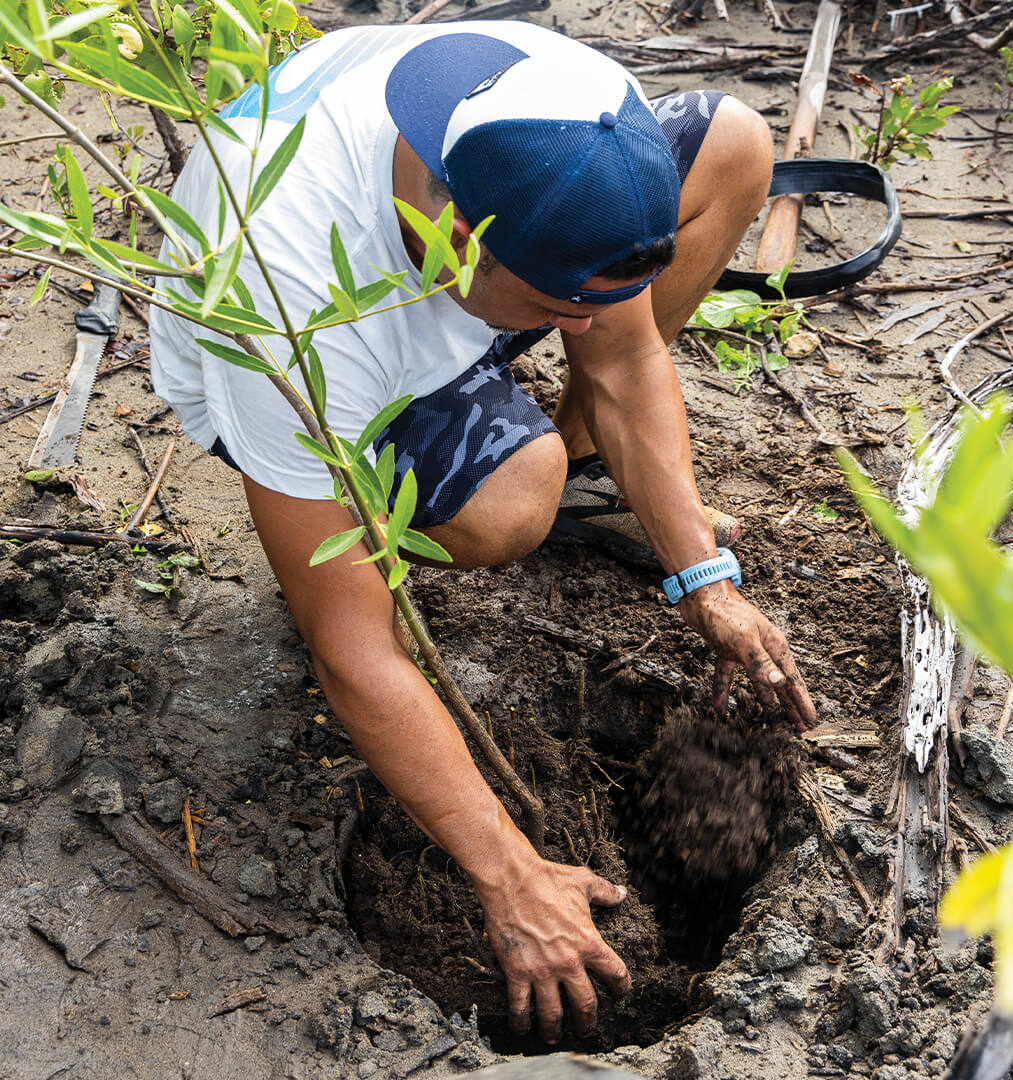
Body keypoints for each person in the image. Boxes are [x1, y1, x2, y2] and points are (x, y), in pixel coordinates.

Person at [149, 19, 817, 1045]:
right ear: (451, 236)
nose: (580, 334)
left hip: (454, 283)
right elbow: (354, 653)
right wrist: (511, 876)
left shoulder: (571, 114)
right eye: (557, 309)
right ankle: (419, 499)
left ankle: (586, 470)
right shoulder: (280, 305)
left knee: (731, 146)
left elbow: (630, 358)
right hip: (314, 350)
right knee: (512, 504)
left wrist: (705, 578)